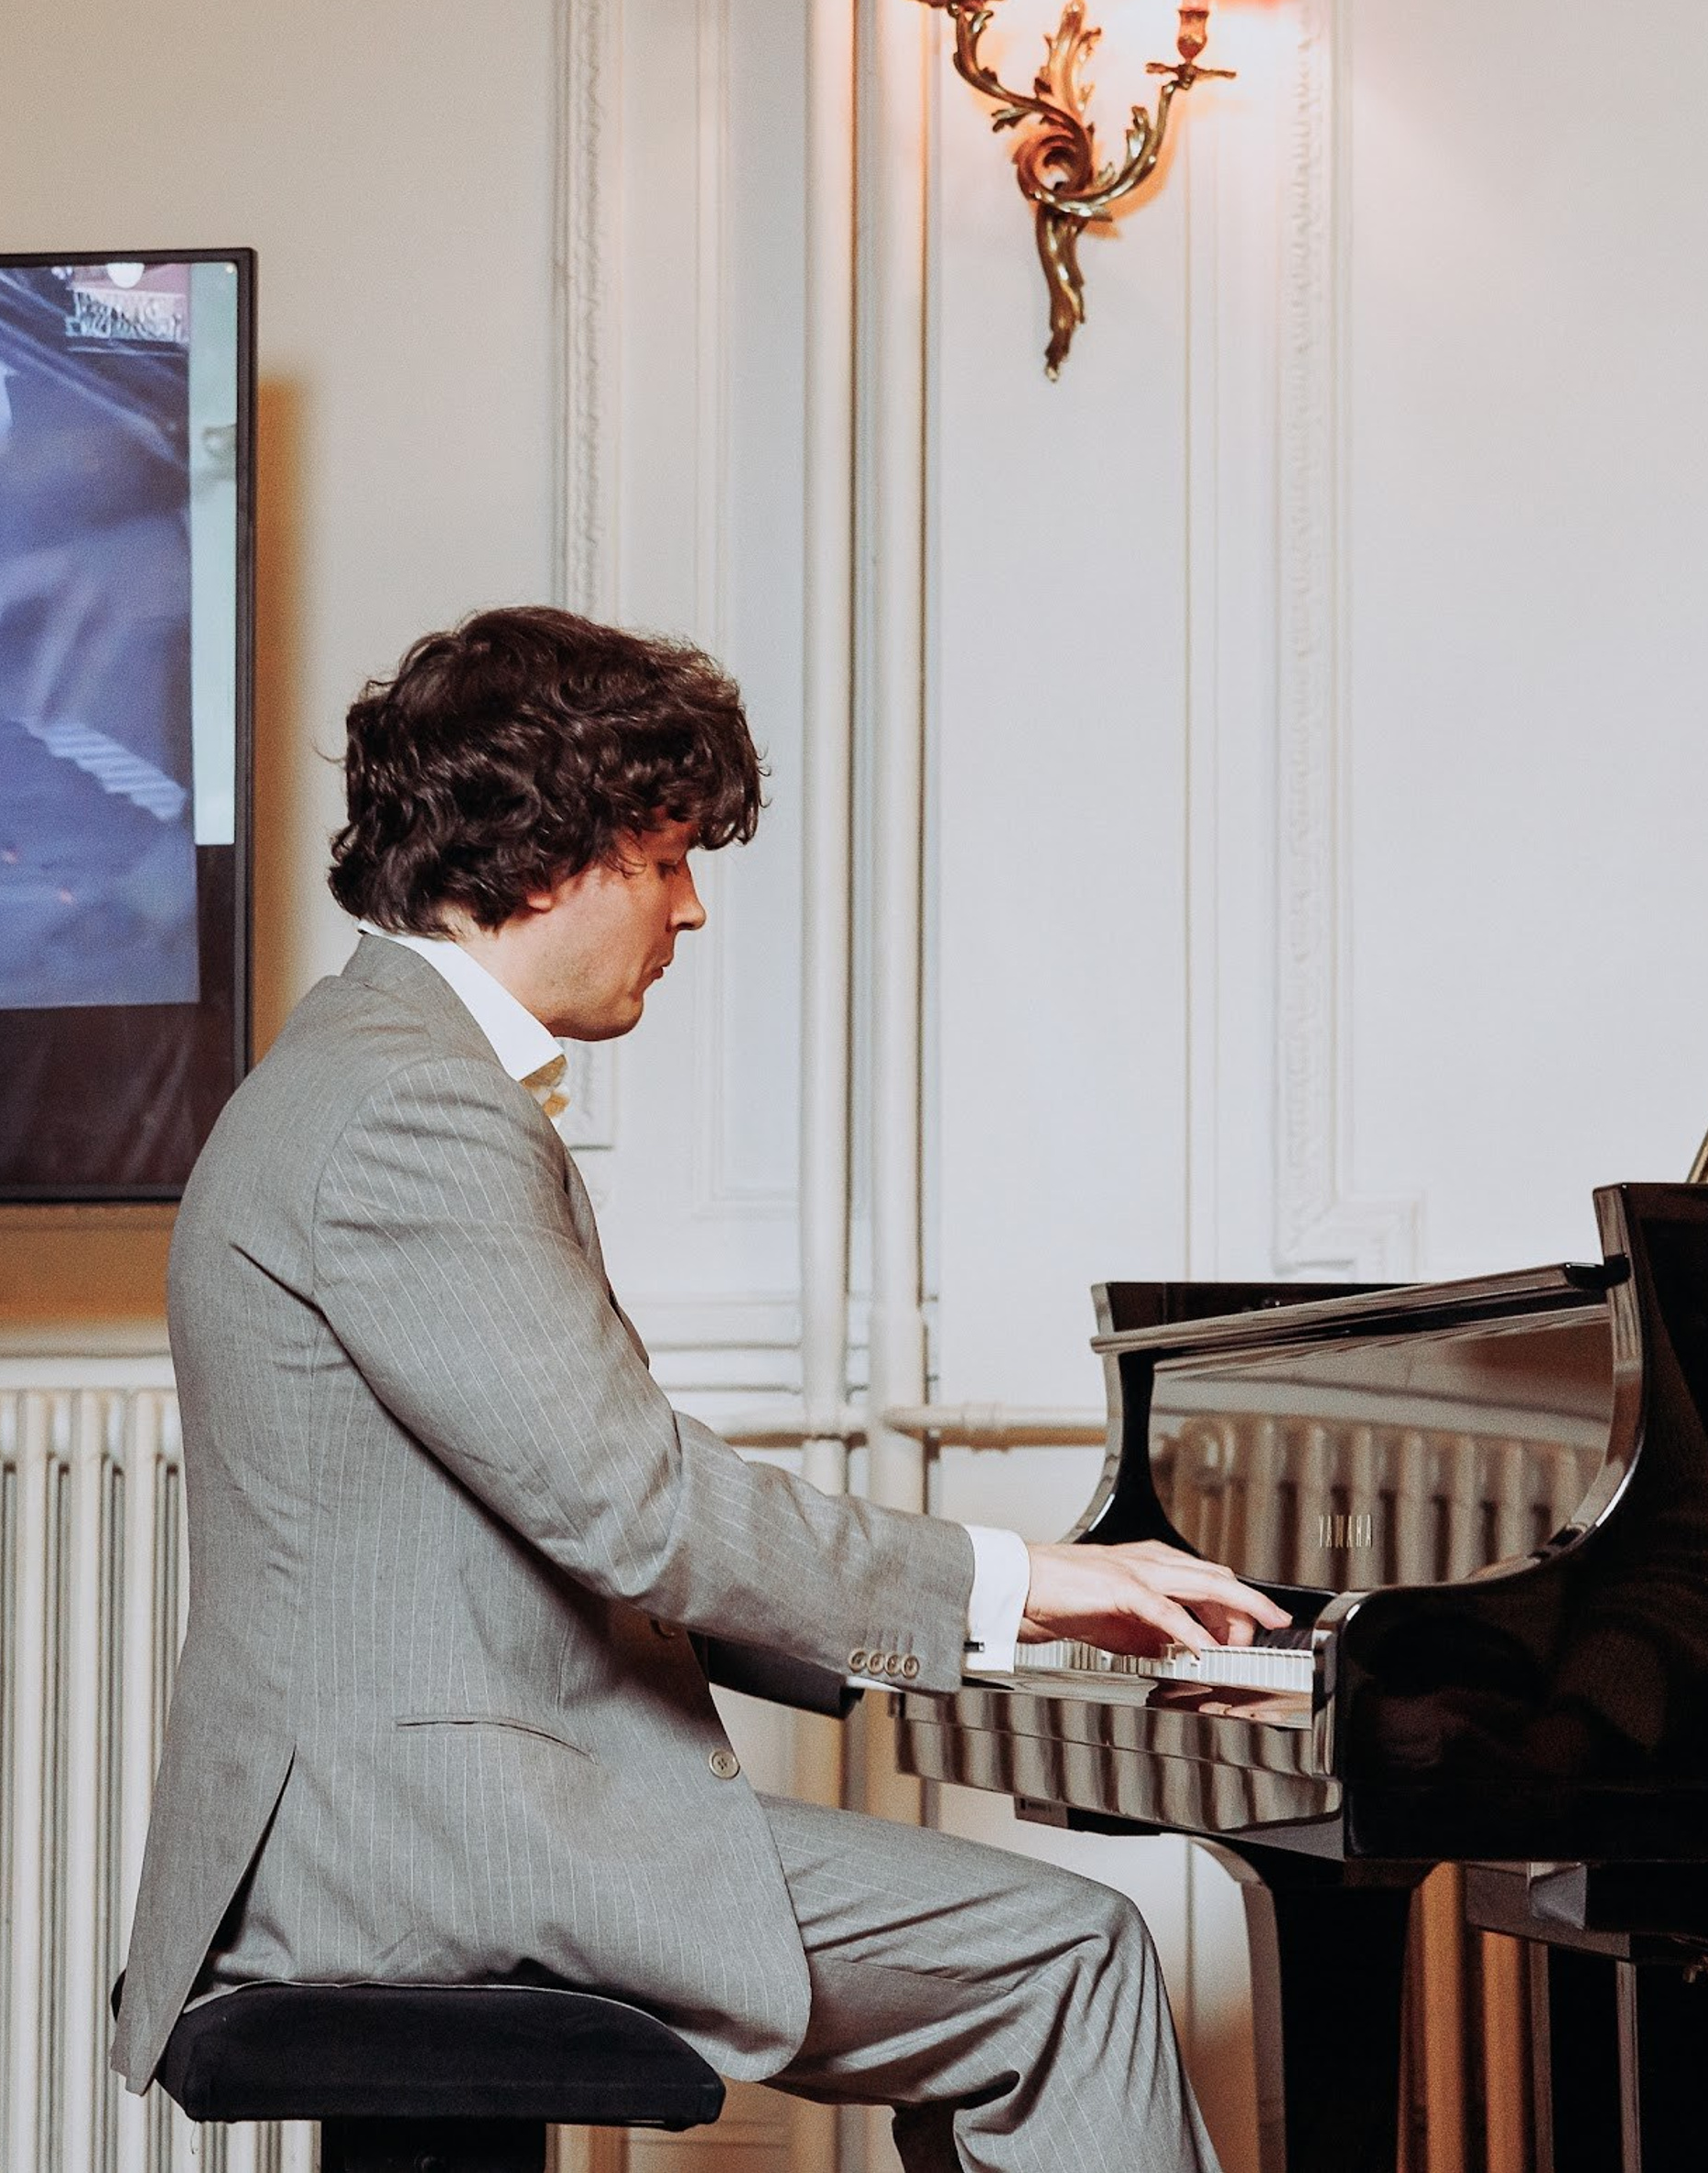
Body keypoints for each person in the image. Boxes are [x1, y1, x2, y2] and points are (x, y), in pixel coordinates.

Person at [111, 606, 1284, 2170]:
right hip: (428, 1841)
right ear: (547, 855)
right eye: (668, 858)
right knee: (1069, 1962)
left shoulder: (362, 1067)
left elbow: (577, 1520)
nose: (691, 909)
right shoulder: (413, 1111)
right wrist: (1023, 1584)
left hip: (393, 1810)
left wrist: (1003, 1643)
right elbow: (636, 1508)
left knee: (1031, 1961)